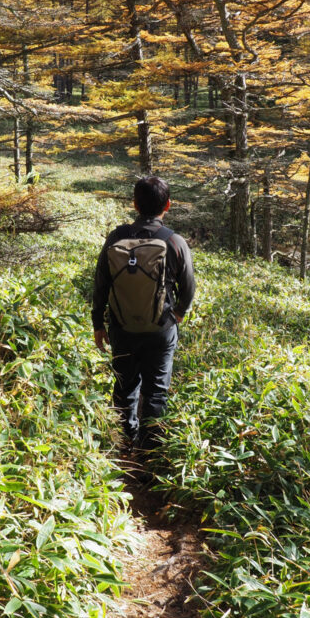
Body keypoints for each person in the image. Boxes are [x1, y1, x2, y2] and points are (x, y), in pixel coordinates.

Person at [92, 176, 195, 453]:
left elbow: (101, 281)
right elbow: (188, 287)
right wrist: (178, 314)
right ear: (168, 205)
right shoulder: (174, 241)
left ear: (135, 204)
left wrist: (98, 323)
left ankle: (123, 446)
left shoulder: (116, 237)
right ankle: (150, 453)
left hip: (121, 326)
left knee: (125, 386)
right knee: (157, 391)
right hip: (161, 328)